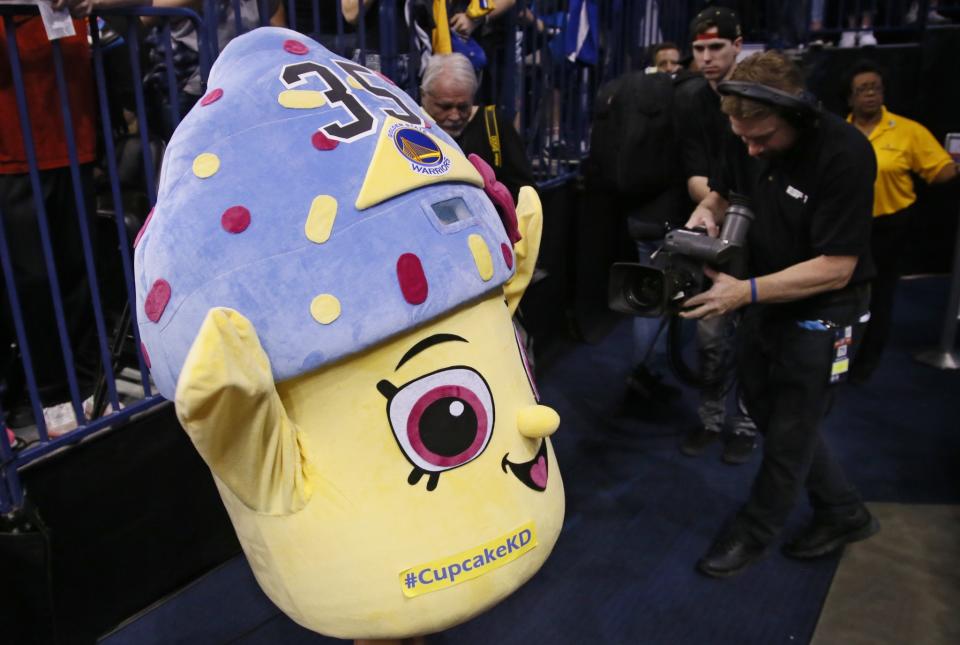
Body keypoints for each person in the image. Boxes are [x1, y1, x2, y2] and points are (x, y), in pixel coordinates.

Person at [681, 51, 880, 578]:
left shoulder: (846, 152)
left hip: (825, 311)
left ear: (796, 114)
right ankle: (844, 511)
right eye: (742, 135)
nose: (751, 147)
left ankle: (754, 531)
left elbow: (837, 267)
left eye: (762, 138)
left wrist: (742, 293)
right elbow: (722, 194)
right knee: (770, 414)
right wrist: (704, 217)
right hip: (761, 298)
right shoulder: (745, 130)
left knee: (792, 431)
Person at [0, 0, 101, 434]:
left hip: (71, 127)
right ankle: (52, 395)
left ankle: (87, 386)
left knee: (79, 265)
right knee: (35, 279)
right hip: (12, 143)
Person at [674, 7, 758, 464]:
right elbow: (695, 176)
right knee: (710, 336)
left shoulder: (761, 96)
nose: (706, 57)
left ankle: (745, 423)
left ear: (737, 44)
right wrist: (714, 205)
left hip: (767, 235)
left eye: (716, 48)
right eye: (699, 49)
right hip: (719, 229)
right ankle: (709, 418)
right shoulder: (691, 101)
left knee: (754, 336)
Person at [844, 60, 959, 383]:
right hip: (848, 226)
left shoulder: (908, 131)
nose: (870, 94)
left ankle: (865, 365)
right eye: (862, 89)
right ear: (850, 98)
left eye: (875, 88)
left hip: (890, 227)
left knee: (880, 296)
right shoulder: (840, 131)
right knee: (841, 296)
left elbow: (940, 171)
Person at [420, 52, 534, 202]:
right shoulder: (410, 129)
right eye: (445, 107)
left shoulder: (494, 124)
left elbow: (524, 190)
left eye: (463, 107)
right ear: (424, 95)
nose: (454, 116)